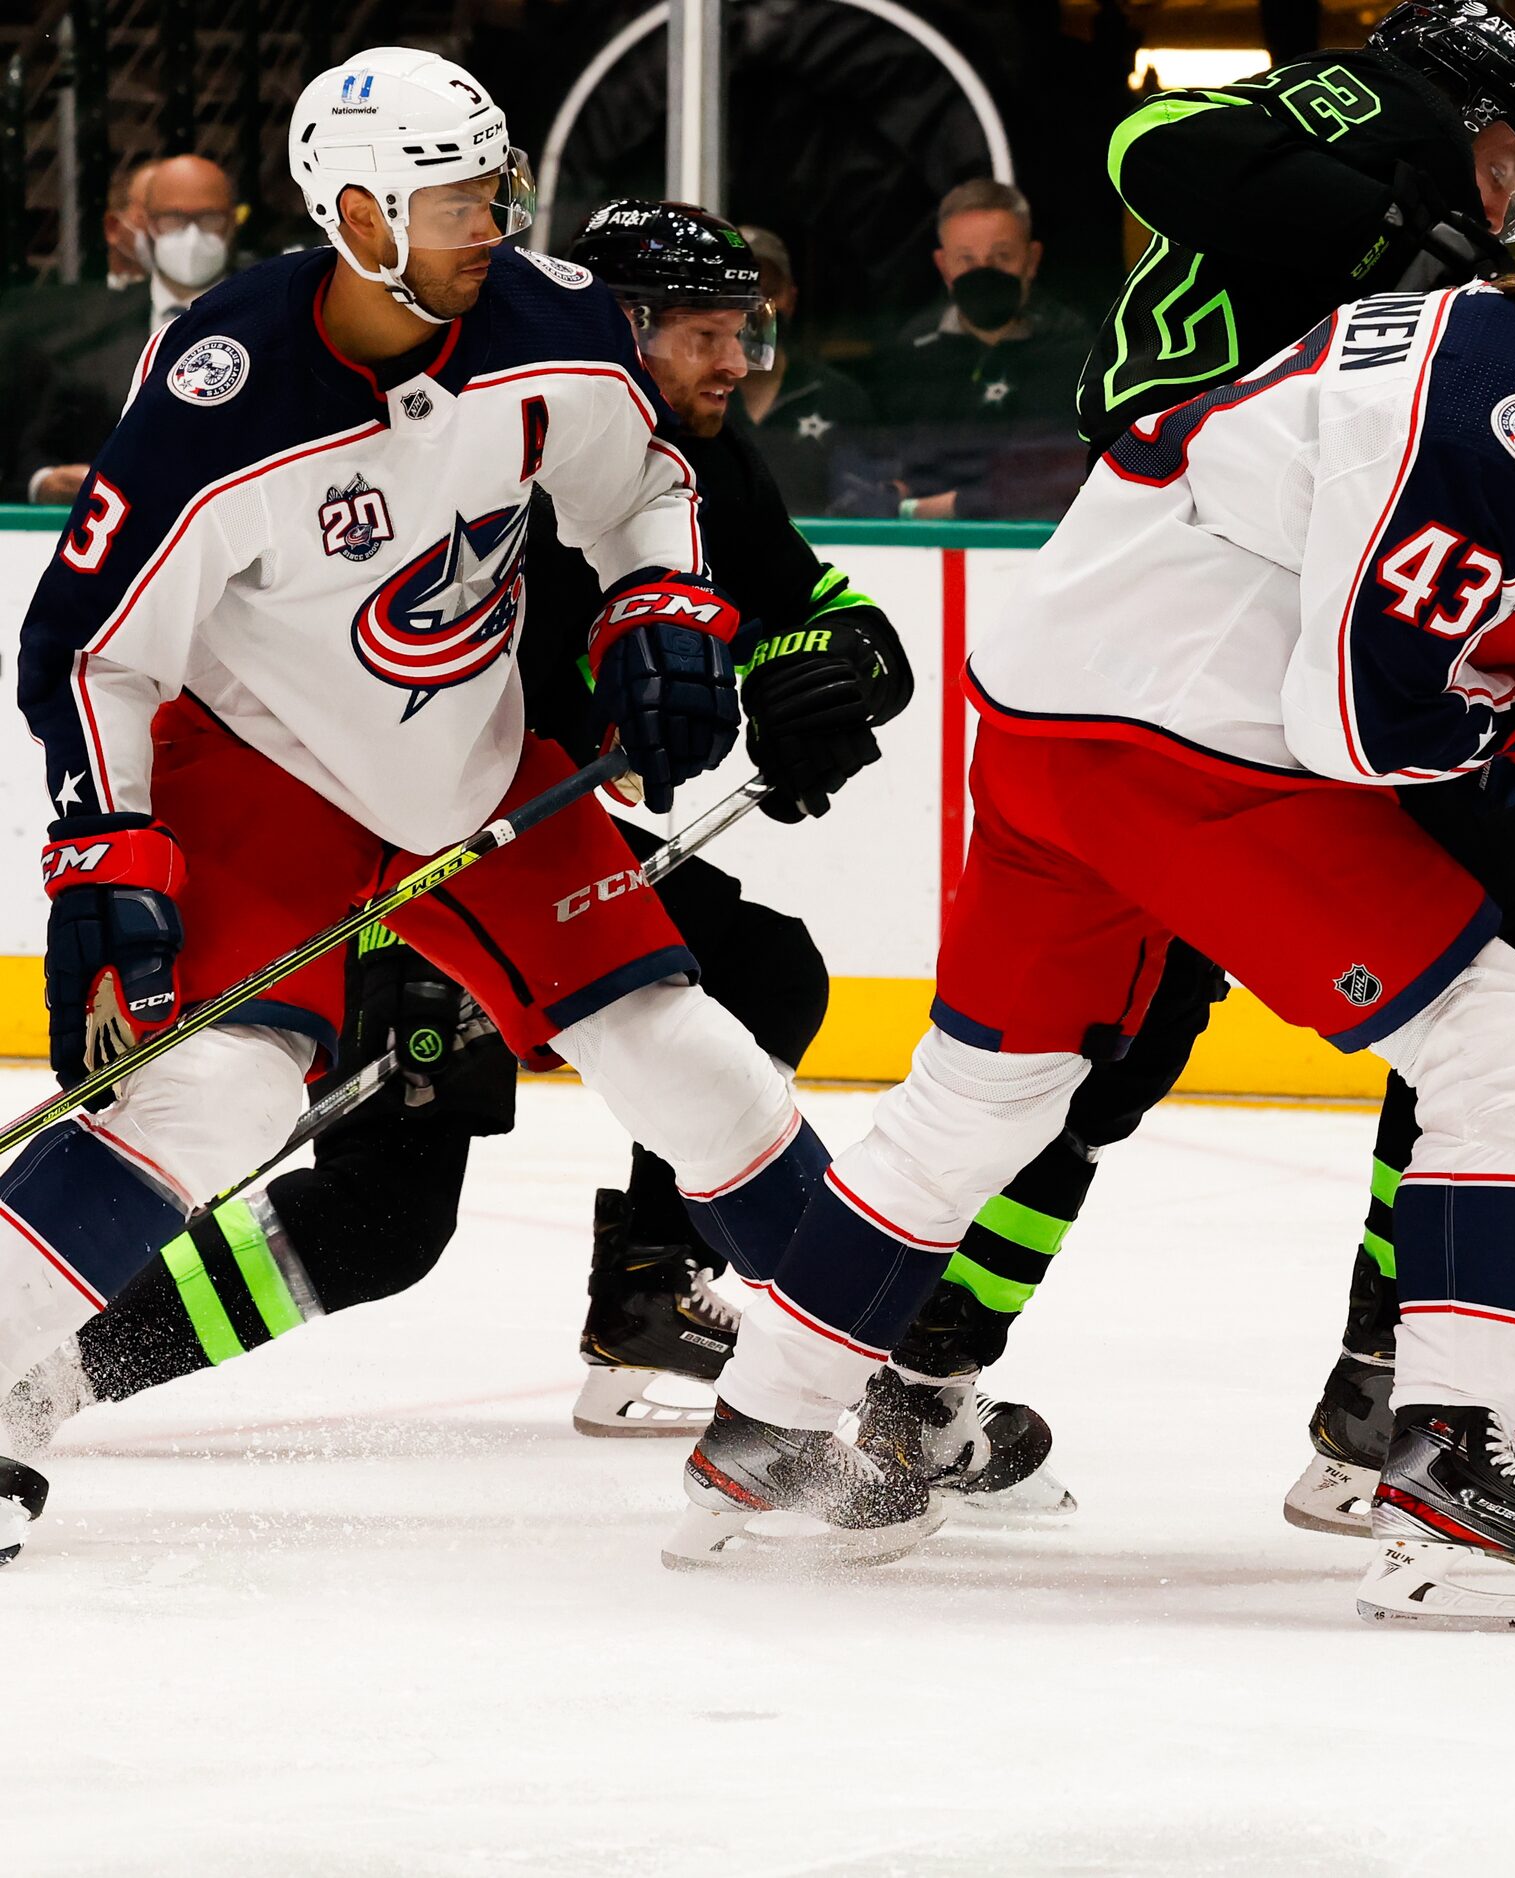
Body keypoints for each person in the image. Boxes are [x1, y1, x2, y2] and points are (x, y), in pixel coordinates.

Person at [674, 152, 1515, 1625]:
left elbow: (1416, 589)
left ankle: (762, 1436)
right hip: (1172, 745)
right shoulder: (1500, 421)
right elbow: (1362, 719)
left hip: (1055, 720)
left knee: (985, 1094)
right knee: (1505, 1040)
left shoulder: (1472, 345)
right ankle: (1446, 1469)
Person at [0, 54, 853, 1563]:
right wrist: (103, 864)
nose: (498, 220)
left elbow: (644, 484)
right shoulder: (225, 386)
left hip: (479, 753)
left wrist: (660, 608)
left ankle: (857, 1389)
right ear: (357, 210)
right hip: (268, 765)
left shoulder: (558, 324)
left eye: (498, 186)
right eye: (462, 197)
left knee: (684, 1043)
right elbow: (87, 646)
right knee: (224, 1097)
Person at [857, 0, 1515, 1540]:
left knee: (1132, 1020)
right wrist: (1405, 215)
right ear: (1450, 115)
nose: (1510, 206)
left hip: (1233, 594)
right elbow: (1152, 145)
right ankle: (1390, 1399)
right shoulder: (1350, 121)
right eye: (1508, 163)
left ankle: (925, 1371)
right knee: (1493, 983)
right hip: (1213, 600)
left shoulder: (1417, 256)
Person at [865, 179, 1095, 520]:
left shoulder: (1075, 348)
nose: (983, 272)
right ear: (944, 266)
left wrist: (951, 506)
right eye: (966, 259)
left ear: (1031, 260)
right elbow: (894, 463)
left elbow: (1065, 472)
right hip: (921, 548)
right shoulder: (911, 353)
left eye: (1001, 257)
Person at [22, 155, 242, 505]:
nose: (191, 235)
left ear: (232, 222)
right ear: (148, 224)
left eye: (209, 218)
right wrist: (46, 482)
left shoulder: (277, 315)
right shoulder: (91, 330)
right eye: (172, 219)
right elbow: (33, 448)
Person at [727, 226, 873, 516]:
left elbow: (866, 510)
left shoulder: (838, 397)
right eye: (741, 292)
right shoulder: (689, 400)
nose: (757, 306)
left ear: (791, 298)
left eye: (769, 292)